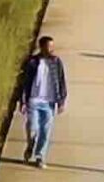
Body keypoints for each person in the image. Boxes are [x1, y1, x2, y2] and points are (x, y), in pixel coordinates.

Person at [13, 35, 70, 168]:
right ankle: (30, 144)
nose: (52, 49)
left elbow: (61, 81)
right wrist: (22, 101)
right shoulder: (32, 62)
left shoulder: (56, 62)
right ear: (41, 47)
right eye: (49, 47)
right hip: (34, 100)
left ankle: (40, 157)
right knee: (33, 127)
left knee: (45, 130)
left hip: (49, 102)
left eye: (52, 46)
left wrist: (62, 101)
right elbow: (24, 83)